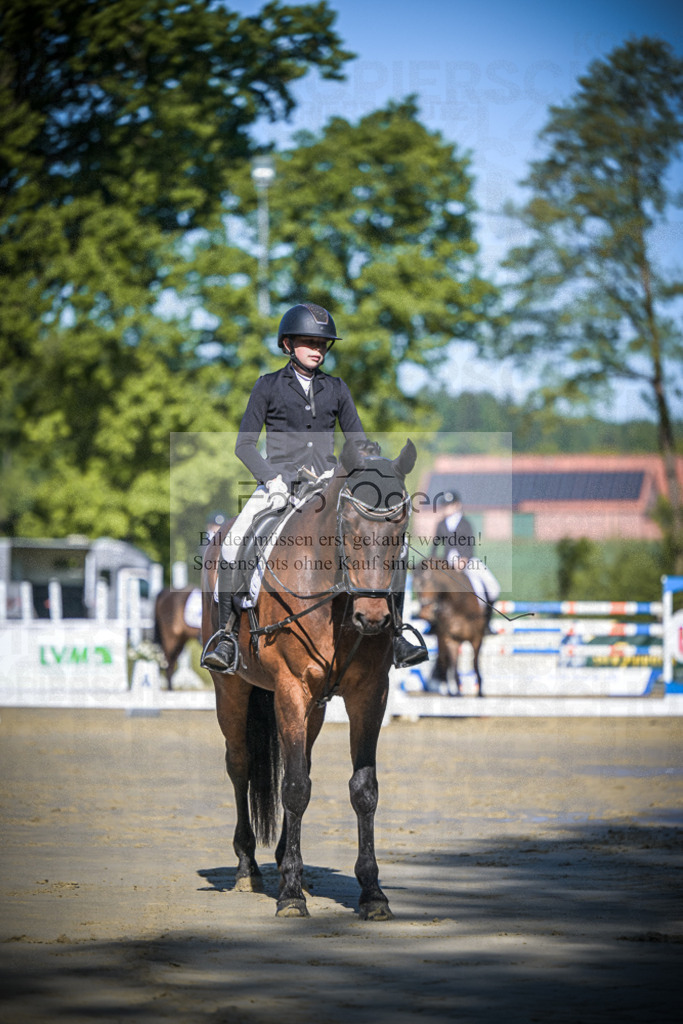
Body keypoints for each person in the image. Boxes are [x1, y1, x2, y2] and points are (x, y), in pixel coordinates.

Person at [202, 301, 427, 673]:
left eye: (322, 344)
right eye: (309, 342)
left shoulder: (336, 389)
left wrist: (371, 464)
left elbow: (359, 442)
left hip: (327, 483)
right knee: (232, 541)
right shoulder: (268, 386)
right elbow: (244, 445)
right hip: (278, 482)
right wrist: (269, 477)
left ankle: (399, 634)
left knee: (391, 547)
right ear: (288, 344)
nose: (317, 349)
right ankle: (226, 635)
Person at [429, 490, 500, 629]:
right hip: (447, 564)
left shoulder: (465, 523)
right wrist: (432, 561)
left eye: (449, 505)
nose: (446, 508)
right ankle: (433, 624)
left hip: (468, 562)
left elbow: (470, 545)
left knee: (492, 587)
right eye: (445, 505)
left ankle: (486, 624)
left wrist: (464, 560)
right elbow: (435, 546)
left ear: (457, 505)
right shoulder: (441, 524)